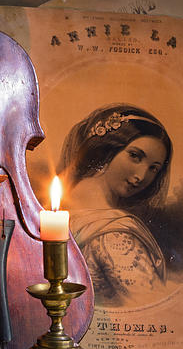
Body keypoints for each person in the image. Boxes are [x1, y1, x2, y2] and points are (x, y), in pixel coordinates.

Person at [58, 104, 173, 307]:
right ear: (108, 148)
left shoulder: (61, 209)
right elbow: (153, 305)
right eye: (135, 156)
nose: (141, 177)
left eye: (153, 169)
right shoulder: (115, 235)